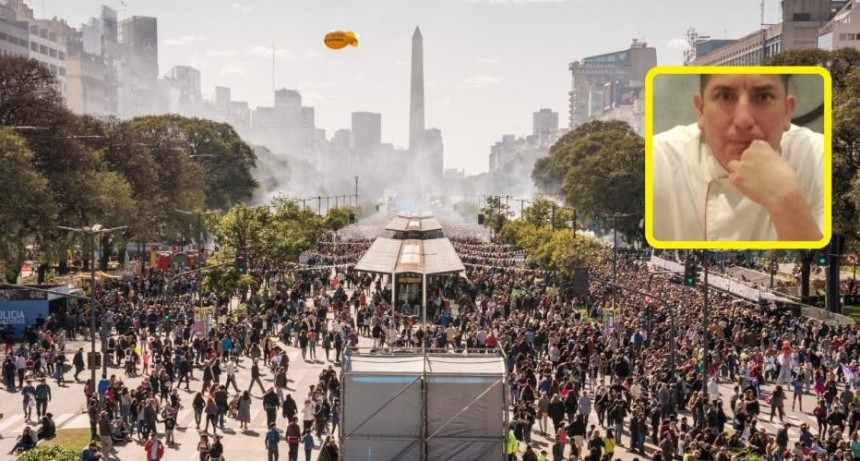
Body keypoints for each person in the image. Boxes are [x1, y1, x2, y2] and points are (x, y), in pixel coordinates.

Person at [651, 73, 825, 242]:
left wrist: (785, 200)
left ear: (787, 111)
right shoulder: (658, 160)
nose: (743, 120)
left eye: (763, 97)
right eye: (725, 97)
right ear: (701, 110)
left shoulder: (818, 157)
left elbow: (820, 256)